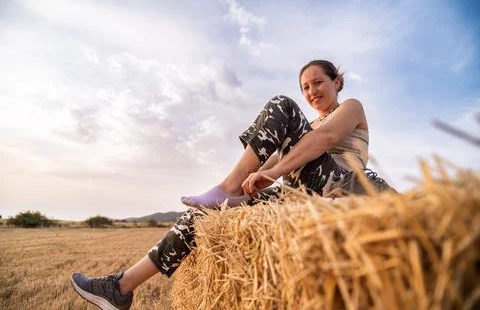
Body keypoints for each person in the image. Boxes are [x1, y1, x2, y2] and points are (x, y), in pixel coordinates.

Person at [70, 60, 392, 310]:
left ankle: (226, 185)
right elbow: (274, 164)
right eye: (305, 87)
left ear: (336, 82)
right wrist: (253, 183)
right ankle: (121, 287)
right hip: (303, 196)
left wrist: (271, 172)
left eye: (318, 82)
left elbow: (323, 140)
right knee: (209, 214)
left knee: (281, 104)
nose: (311, 92)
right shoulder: (306, 128)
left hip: (343, 186)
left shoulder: (351, 107)